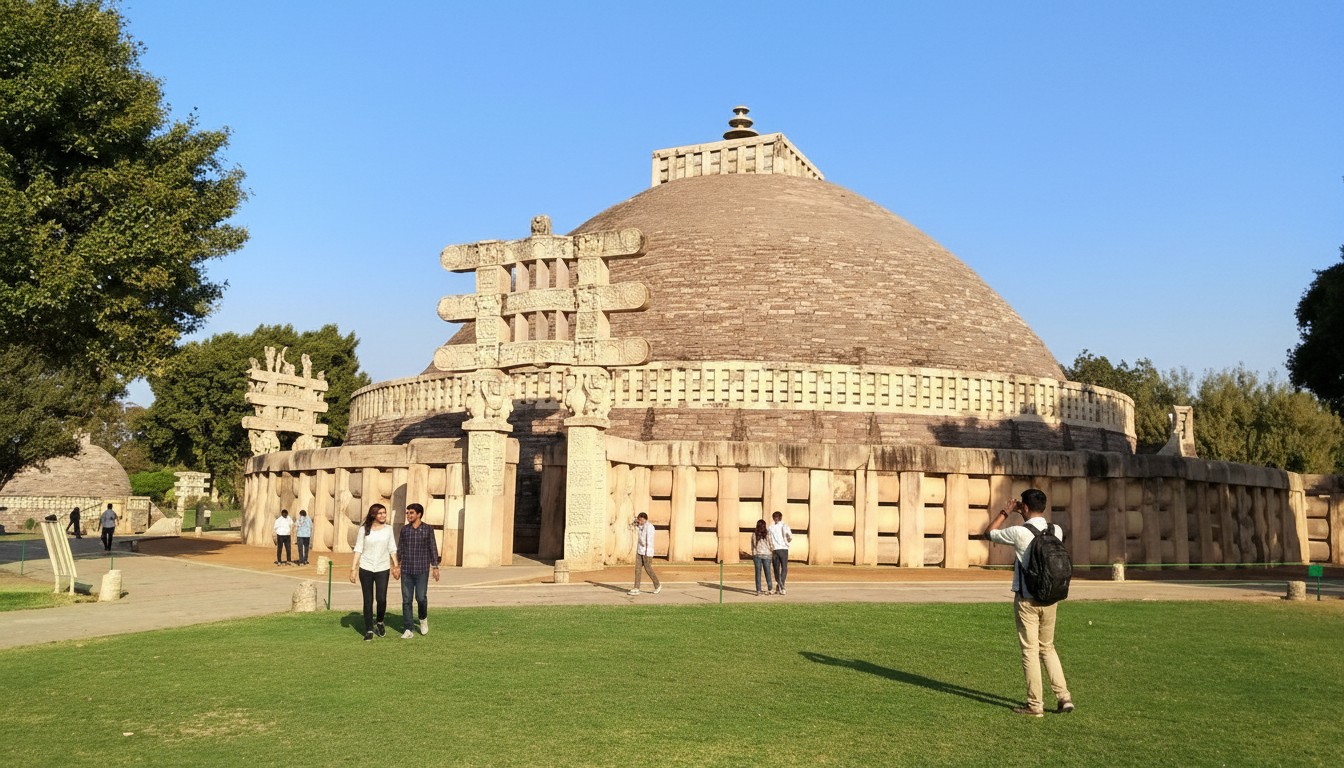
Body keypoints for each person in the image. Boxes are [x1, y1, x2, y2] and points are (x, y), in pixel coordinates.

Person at [986, 488, 1075, 717]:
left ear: (1024, 507)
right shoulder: (1056, 530)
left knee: (1030, 651)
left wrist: (1006, 512)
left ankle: (1035, 705)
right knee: (1048, 648)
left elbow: (990, 533)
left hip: (1027, 599)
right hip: (1051, 597)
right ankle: (1064, 697)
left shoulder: (1019, 532)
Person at [349, 503, 398, 641]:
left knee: (381, 598)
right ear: (373, 514)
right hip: (366, 567)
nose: (383, 515)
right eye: (380, 513)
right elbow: (358, 549)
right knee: (368, 600)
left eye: (384, 512)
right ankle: (369, 629)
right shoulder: (364, 530)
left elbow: (392, 548)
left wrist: (395, 565)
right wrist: (353, 569)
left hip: (383, 567)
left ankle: (380, 622)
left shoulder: (388, 529)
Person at [394, 502, 440, 638]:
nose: (408, 515)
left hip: (422, 570)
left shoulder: (428, 529)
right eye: (407, 513)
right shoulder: (404, 530)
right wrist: (396, 566)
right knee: (406, 600)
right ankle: (408, 628)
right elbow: (400, 548)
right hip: (406, 570)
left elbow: (432, 548)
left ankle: (422, 619)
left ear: (419, 514)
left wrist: (435, 567)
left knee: (420, 598)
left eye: (411, 513)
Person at [628, 512, 661, 596]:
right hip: (640, 551)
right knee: (637, 569)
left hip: (647, 552)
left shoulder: (649, 527)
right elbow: (630, 527)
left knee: (648, 569)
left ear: (645, 519)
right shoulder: (640, 526)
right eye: (638, 520)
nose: (639, 521)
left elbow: (649, 541)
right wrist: (635, 524)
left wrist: (647, 553)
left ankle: (657, 585)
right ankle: (636, 588)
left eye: (641, 520)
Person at [767, 511, 792, 595]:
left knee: (776, 569)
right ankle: (781, 586)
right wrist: (788, 540)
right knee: (784, 568)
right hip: (783, 549)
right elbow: (790, 537)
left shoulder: (770, 528)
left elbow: (768, 538)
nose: (776, 519)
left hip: (775, 550)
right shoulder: (785, 526)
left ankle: (779, 585)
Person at [750, 518, 774, 596]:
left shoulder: (754, 534)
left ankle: (758, 590)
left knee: (758, 573)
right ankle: (770, 589)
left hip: (757, 555)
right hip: (767, 555)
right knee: (768, 572)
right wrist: (772, 551)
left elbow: (753, 545)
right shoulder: (768, 534)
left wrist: (753, 553)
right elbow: (771, 544)